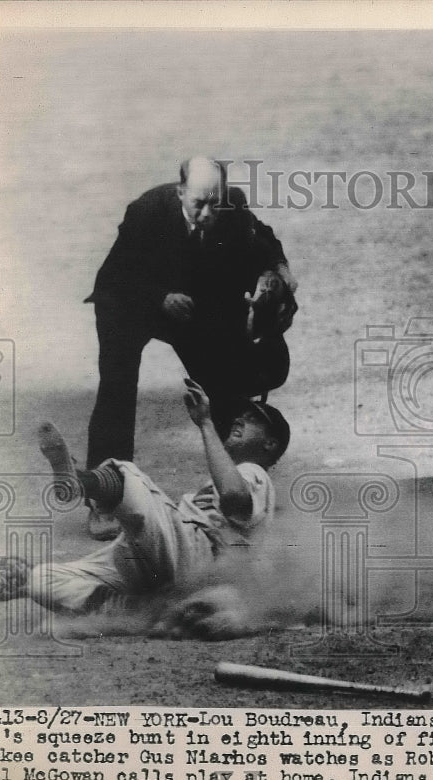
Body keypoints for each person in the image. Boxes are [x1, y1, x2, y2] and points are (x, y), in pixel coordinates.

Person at [84, 156, 297, 539]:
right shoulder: (146, 212)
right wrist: (158, 298)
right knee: (117, 385)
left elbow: (262, 240)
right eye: (199, 202)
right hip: (130, 303)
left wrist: (278, 272)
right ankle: (105, 497)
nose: (208, 212)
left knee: (221, 382)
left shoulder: (229, 204)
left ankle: (239, 486)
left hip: (190, 304)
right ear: (180, 191)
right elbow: (118, 276)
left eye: (216, 202)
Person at [0, 380, 289, 619]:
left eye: (253, 418)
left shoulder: (254, 473)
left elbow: (234, 497)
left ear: (269, 444)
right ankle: (139, 610)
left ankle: (78, 482)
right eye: (242, 414)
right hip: (164, 561)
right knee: (44, 580)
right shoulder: (245, 478)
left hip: (197, 555)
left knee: (127, 475)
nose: (241, 418)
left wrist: (206, 423)